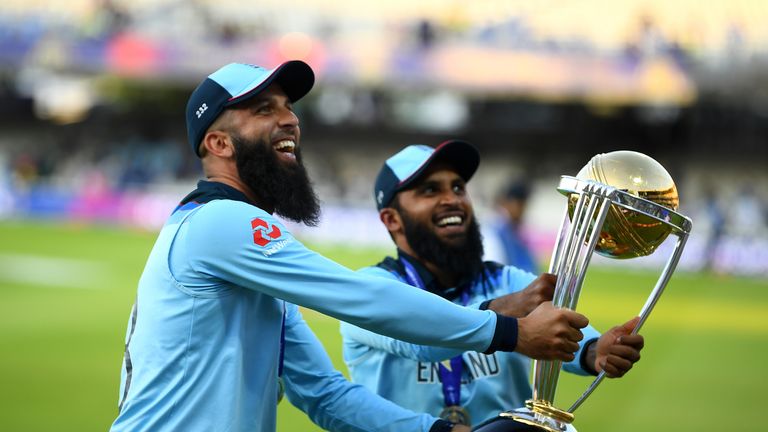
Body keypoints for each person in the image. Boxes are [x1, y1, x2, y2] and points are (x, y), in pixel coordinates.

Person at [110, 61, 591, 432]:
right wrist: (509, 332)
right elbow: (360, 297)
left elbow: (323, 393)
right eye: (263, 110)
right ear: (218, 143)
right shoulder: (219, 223)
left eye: (288, 107)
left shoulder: (241, 253)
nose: (289, 120)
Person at [340, 142, 645, 426]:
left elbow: (570, 336)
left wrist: (596, 351)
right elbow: (417, 337)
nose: (452, 200)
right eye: (430, 190)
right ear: (392, 219)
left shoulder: (509, 281)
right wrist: (501, 311)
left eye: (458, 187)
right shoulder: (368, 289)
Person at [486, 178, 538, 274]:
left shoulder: (513, 231)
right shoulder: (495, 230)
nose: (523, 209)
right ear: (506, 202)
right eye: (520, 204)